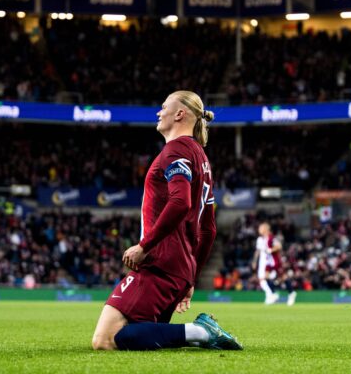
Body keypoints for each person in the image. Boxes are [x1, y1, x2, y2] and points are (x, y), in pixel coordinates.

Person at [91, 91, 242, 351]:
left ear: (180, 113)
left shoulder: (176, 150)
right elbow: (208, 229)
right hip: (177, 268)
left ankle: (201, 331)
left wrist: (144, 246)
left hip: (160, 262)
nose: (159, 112)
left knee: (106, 339)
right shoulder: (202, 159)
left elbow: (180, 202)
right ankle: (197, 333)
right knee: (141, 336)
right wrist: (191, 278)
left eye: (163, 107)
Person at [252, 223, 296, 305]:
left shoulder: (271, 238)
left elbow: (279, 246)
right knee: (265, 277)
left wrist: (271, 250)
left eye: (261, 228)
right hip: (269, 262)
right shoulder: (262, 239)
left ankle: (291, 293)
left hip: (275, 261)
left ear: (265, 229)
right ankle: (273, 294)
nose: (259, 230)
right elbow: (258, 250)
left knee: (283, 277)